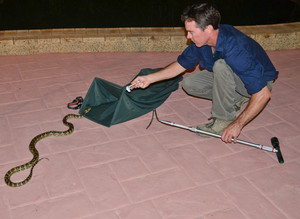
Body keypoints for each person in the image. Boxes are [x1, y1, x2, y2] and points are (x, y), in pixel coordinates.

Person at [130, 2, 278, 143]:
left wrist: (238, 124)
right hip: (233, 76)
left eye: (191, 32)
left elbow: (263, 94)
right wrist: (149, 78)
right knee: (190, 84)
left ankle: (223, 120)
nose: (188, 36)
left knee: (220, 65)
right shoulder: (202, 42)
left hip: (259, 83)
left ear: (207, 29)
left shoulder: (235, 48)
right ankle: (236, 99)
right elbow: (181, 65)